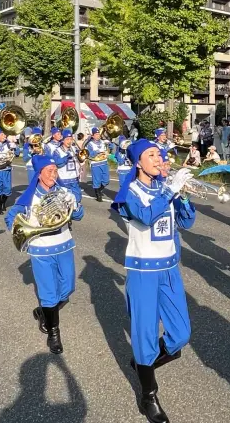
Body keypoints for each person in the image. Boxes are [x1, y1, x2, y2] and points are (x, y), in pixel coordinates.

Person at [112, 140, 196, 423]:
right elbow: (146, 216)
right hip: (143, 271)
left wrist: (182, 195)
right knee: (145, 335)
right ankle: (149, 394)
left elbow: (187, 222)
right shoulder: (129, 192)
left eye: (159, 154)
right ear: (138, 162)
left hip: (170, 268)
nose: (159, 159)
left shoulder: (164, 188)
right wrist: (171, 190)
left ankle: (142, 363)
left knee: (181, 334)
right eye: (152, 155)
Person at [5, 154, 83, 354]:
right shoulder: (29, 198)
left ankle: (44, 312)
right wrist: (28, 228)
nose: (53, 174)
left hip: (64, 246)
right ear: (39, 174)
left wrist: (75, 203)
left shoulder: (63, 192)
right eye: (49, 171)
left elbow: (79, 216)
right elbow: (11, 219)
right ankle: (53, 333)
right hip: (40, 250)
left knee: (67, 289)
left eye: (55, 170)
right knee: (49, 293)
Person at [52, 128, 82, 210]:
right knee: (64, 203)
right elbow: (57, 163)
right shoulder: (57, 151)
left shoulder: (74, 149)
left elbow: (80, 159)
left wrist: (81, 157)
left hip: (74, 179)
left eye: (71, 139)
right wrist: (66, 157)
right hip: (64, 180)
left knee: (77, 199)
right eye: (67, 139)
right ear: (63, 140)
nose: (69, 141)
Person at [85, 126, 110, 202]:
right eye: (96, 134)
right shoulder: (90, 144)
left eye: (98, 134)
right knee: (97, 181)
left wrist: (110, 145)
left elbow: (108, 149)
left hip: (104, 163)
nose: (98, 136)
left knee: (106, 181)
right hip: (96, 164)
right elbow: (89, 154)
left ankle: (99, 189)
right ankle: (98, 194)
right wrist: (97, 151)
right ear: (92, 136)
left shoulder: (103, 142)